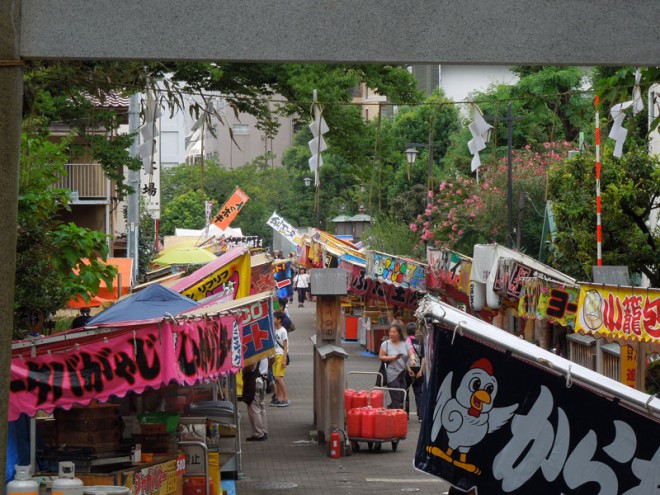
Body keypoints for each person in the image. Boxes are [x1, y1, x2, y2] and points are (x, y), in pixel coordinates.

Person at [379, 323, 416, 409]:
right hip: (391, 375)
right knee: (396, 398)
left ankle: (391, 410)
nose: (391, 334)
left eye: (394, 332)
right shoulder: (386, 344)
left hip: (402, 374)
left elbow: (411, 353)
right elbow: (381, 357)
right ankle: (395, 417)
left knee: (402, 397)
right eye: (390, 332)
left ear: (399, 333)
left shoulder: (405, 344)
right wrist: (393, 357)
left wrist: (413, 360)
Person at [242, 358, 268, 441]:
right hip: (263, 379)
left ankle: (258, 433)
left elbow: (250, 366)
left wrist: (243, 369)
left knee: (254, 408)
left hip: (254, 381)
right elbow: (273, 360)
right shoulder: (266, 348)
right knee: (261, 407)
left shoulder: (254, 350)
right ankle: (264, 431)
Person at [405, 322, 426, 422]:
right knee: (419, 393)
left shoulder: (405, 342)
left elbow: (404, 358)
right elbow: (423, 357)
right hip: (418, 369)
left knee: (406, 391)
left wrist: (409, 369)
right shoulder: (420, 342)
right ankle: (421, 416)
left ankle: (406, 414)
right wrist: (421, 370)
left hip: (408, 369)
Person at [270, 311, 290, 407]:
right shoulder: (273, 330)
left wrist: (284, 359)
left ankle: (286, 397)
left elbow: (285, 346)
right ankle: (279, 397)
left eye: (274, 318)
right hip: (274, 356)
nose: (273, 320)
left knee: (279, 377)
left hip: (281, 355)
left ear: (279, 320)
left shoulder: (283, 331)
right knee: (276, 378)